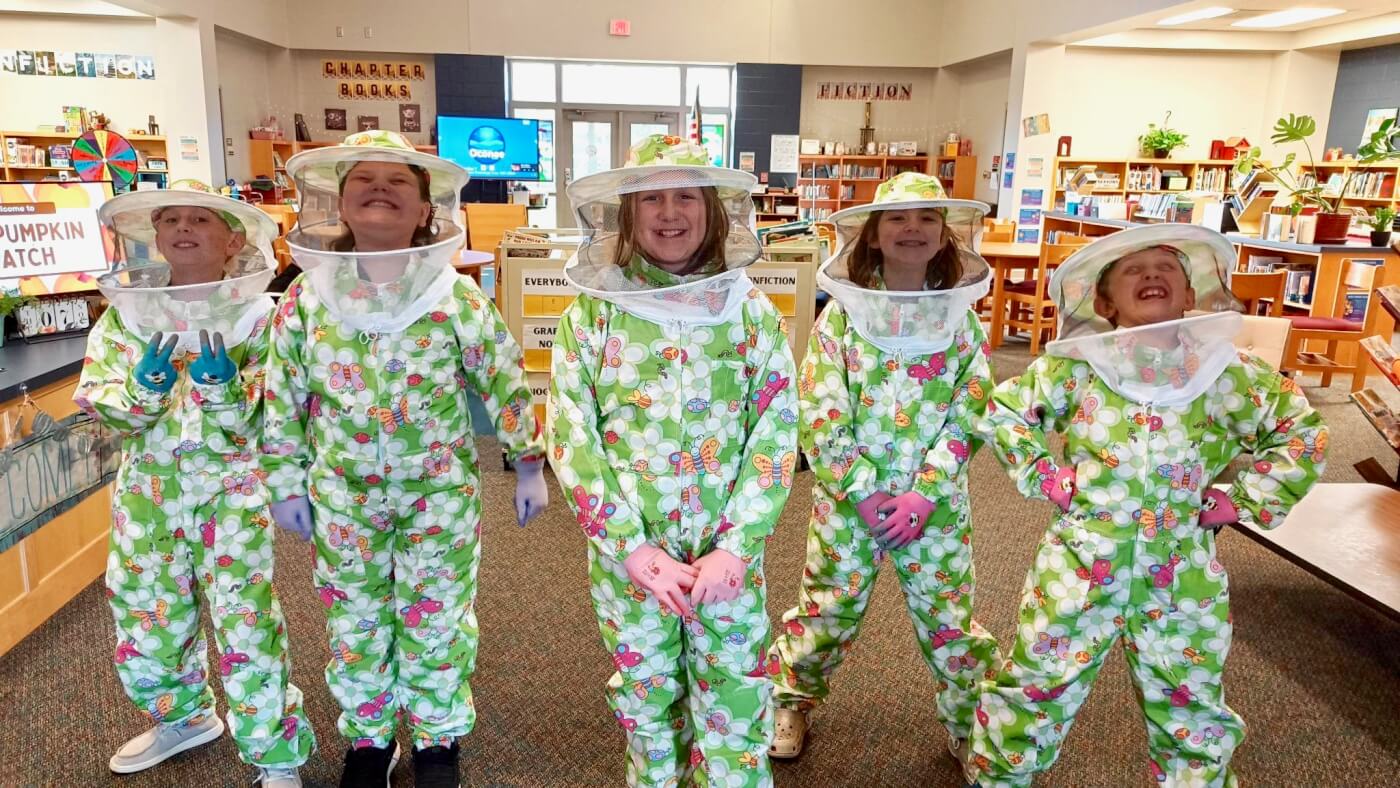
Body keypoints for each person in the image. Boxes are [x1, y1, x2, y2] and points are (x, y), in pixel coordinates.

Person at [967, 224, 1328, 788]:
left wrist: (1244, 499)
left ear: (1190, 294)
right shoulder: (1079, 367)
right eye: (1132, 270)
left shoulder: (1225, 372)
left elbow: (1301, 431)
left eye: (1167, 268)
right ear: (1105, 301)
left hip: (1181, 566)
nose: (1152, 276)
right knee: (1039, 680)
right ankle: (1000, 778)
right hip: (1082, 562)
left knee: (1191, 694)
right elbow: (1007, 411)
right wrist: (1047, 476)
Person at [262, 130, 547, 788]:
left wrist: (528, 461)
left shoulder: (455, 296)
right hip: (340, 495)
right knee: (355, 617)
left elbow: (502, 377)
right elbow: (282, 395)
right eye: (365, 179)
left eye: (400, 181)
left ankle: (437, 736)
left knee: (437, 616)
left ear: (425, 209)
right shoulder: (307, 298)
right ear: (339, 200)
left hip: (438, 496)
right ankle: (368, 739)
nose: (381, 189)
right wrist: (283, 483)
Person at [547, 135, 797, 787]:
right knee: (647, 695)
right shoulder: (592, 316)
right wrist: (629, 547)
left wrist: (738, 546)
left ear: (714, 211)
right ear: (626, 215)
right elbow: (572, 436)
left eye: (686, 194)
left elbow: (776, 431)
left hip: (727, 554)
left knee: (736, 697)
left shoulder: (751, 314)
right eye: (650, 197)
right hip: (635, 560)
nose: (669, 210)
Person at [76, 181, 315, 788]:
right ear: (155, 235)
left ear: (233, 237)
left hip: (232, 495)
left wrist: (223, 388)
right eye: (172, 219)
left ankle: (275, 756)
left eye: (201, 219)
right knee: (145, 615)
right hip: (146, 495)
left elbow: (267, 422)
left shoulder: (263, 318)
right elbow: (111, 412)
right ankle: (183, 718)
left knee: (245, 621)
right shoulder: (125, 319)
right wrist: (144, 389)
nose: (184, 228)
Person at [766, 172, 1001, 770]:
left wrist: (924, 493)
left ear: (945, 235)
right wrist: (864, 492)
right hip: (849, 505)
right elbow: (819, 409)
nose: (913, 228)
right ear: (871, 235)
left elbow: (972, 410)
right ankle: (790, 699)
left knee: (948, 615)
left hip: (937, 506)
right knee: (827, 610)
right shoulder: (841, 320)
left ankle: (967, 716)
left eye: (927, 218)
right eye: (898, 218)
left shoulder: (961, 321)